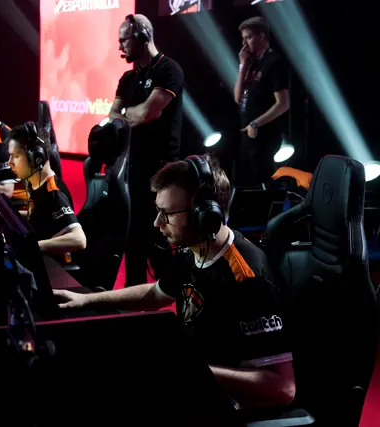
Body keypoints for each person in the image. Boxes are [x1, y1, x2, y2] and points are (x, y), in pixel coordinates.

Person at [53, 155, 296, 409]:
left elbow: (282, 388)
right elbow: (156, 294)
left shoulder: (248, 277)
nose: (157, 223)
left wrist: (185, 367)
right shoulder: (191, 249)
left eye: (167, 214)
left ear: (205, 215)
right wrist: (86, 299)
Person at [110, 14, 185, 287]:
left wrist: (127, 114)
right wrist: (130, 114)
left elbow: (147, 114)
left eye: (124, 40)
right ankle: (134, 292)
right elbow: (112, 116)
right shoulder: (127, 78)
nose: (120, 46)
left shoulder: (169, 69)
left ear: (142, 36)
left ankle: (169, 293)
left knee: (158, 236)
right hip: (132, 166)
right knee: (132, 236)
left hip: (160, 169)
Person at [7, 122, 86, 258]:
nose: (9, 162)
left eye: (16, 156)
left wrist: (30, 246)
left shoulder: (53, 193)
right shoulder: (34, 182)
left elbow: (79, 240)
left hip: (52, 265)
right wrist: (5, 213)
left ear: (36, 159)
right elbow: (40, 215)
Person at [234, 17, 290, 187]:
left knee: (262, 182)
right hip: (247, 132)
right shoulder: (250, 62)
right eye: (243, 38)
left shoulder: (274, 62)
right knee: (246, 182)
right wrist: (242, 66)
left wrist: (256, 123)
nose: (244, 43)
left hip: (265, 134)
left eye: (248, 37)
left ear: (262, 36)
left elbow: (283, 104)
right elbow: (237, 97)